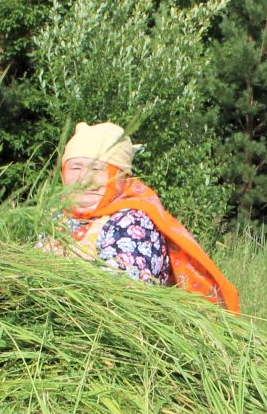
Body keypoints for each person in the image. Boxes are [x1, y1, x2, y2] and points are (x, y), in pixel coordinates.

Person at [48, 122, 239, 311]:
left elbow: (119, 293)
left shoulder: (134, 223)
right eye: (75, 167)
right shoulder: (57, 218)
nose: (84, 177)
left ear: (120, 176)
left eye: (97, 168)